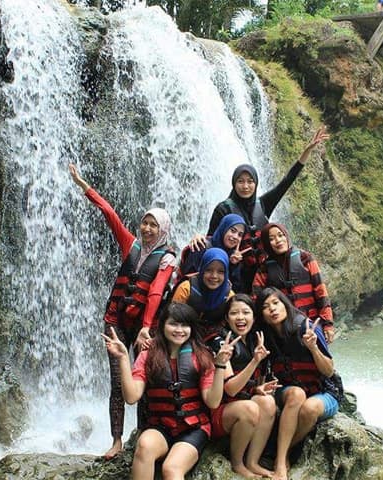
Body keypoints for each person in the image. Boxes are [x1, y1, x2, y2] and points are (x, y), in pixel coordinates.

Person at [69, 164, 176, 459]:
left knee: (143, 380)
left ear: (163, 229)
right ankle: (116, 440)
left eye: (154, 225)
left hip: (145, 328)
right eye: (145, 223)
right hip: (115, 323)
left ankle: (142, 435)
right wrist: (84, 186)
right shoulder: (130, 245)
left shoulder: (167, 259)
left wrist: (145, 328)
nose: (147, 228)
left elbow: (155, 293)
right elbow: (110, 215)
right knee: (117, 381)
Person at [102, 302, 238, 480]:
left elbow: (212, 401)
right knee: (144, 446)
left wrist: (219, 365)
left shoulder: (201, 356)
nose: (179, 330)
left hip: (193, 428)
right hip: (160, 426)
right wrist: (123, 358)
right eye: (173, 324)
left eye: (185, 325)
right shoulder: (148, 355)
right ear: (162, 325)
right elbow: (132, 396)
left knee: (171, 468)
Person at [192, 126, 330, 293]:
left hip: (265, 275)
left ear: (255, 183)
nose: (245, 186)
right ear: (234, 184)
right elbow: (212, 239)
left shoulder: (263, 204)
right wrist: (199, 238)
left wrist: (307, 151)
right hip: (236, 274)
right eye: (240, 181)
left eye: (250, 181)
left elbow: (287, 181)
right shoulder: (223, 209)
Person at [256, 288, 340, 480]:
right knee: (297, 395)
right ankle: (281, 462)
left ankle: (280, 458)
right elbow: (261, 373)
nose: (273, 310)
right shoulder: (264, 336)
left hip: (324, 391)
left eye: (276, 303)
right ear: (261, 314)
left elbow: (328, 371)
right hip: (290, 390)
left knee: (309, 408)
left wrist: (313, 349)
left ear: (285, 304)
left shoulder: (307, 328)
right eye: (266, 307)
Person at [208, 294, 279, 478]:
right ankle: (237, 463)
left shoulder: (255, 340)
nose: (240, 317)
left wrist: (257, 389)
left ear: (254, 317)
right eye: (234, 313)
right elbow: (230, 388)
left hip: (242, 403)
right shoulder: (220, 342)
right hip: (219, 411)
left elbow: (248, 386)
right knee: (249, 408)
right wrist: (255, 361)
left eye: (246, 312)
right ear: (226, 318)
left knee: (268, 402)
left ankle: (252, 462)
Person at [253, 222, 335, 343]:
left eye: (281, 235)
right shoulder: (264, 269)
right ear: (266, 244)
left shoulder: (305, 258)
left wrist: (327, 324)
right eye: (271, 239)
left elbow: (321, 292)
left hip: (311, 324)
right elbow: (257, 299)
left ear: (286, 236)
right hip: (283, 330)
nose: (278, 240)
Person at [172, 247, 234, 341]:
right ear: (202, 269)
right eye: (209, 270)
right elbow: (172, 319)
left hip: (211, 339)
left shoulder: (229, 296)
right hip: (182, 336)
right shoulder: (186, 289)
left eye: (220, 272)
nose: (214, 276)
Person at [177, 214, 248, 292]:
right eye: (233, 231)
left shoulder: (234, 256)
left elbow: (236, 291)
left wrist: (234, 266)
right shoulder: (200, 247)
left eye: (240, 235)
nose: (235, 236)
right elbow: (188, 280)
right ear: (224, 228)